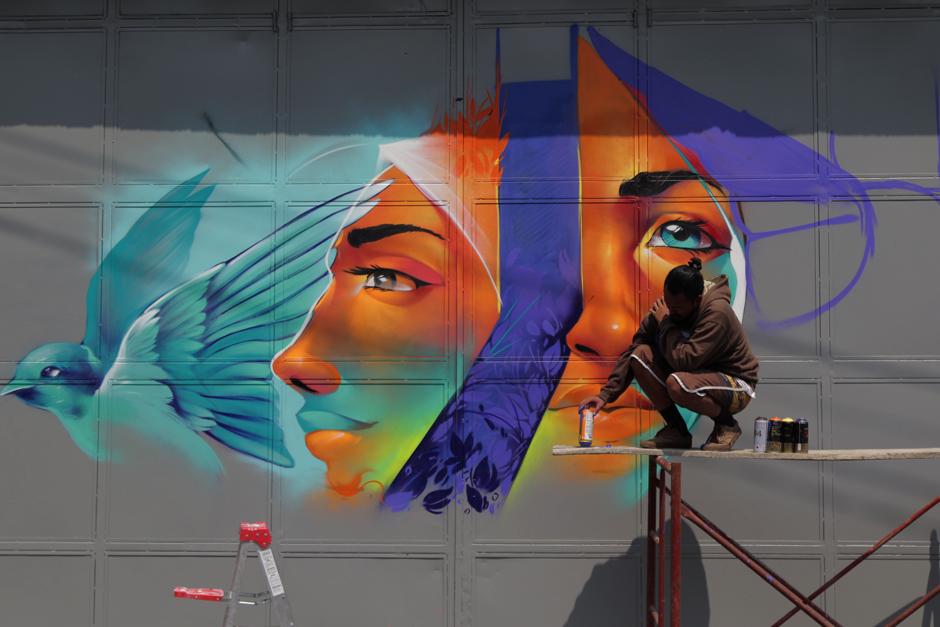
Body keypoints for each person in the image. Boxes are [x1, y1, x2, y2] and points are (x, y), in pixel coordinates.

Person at [579, 258, 759, 451]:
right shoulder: (667, 310)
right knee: (640, 355)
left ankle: (727, 425)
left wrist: (665, 324)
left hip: (736, 384)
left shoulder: (716, 313)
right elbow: (635, 348)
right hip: (696, 377)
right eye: (668, 304)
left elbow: (686, 361)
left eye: (677, 308)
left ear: (697, 300)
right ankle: (676, 430)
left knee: (677, 384)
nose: (671, 312)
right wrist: (606, 394)